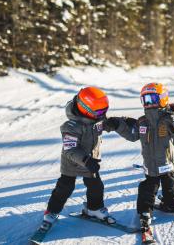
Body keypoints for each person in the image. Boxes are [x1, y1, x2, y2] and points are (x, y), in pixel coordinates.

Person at [105, 82, 174, 235]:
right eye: (145, 100)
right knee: (147, 188)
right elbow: (132, 135)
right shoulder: (142, 121)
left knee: (171, 186)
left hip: (167, 163)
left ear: (163, 99)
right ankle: (145, 212)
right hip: (150, 165)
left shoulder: (168, 118)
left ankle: (173, 203)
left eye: (152, 99)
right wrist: (118, 125)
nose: (149, 104)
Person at [39, 87, 116, 231]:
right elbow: (71, 150)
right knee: (65, 187)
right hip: (73, 163)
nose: (102, 115)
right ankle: (52, 211)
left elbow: (106, 123)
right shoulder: (71, 126)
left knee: (96, 187)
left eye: (104, 111)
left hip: (90, 161)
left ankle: (94, 208)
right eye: (99, 112)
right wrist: (86, 161)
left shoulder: (95, 118)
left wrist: (119, 123)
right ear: (86, 109)